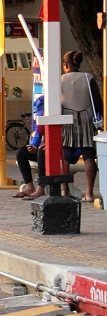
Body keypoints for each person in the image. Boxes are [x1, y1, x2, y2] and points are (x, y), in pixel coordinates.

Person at [59, 50, 102, 202]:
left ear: (65, 65)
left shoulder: (61, 80)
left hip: (66, 119)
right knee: (89, 155)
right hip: (86, 118)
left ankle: (64, 190)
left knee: (65, 154)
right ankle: (89, 193)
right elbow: (97, 102)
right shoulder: (88, 77)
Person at [13, 95, 45, 198]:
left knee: (41, 152)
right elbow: (37, 135)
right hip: (42, 148)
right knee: (21, 152)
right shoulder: (39, 120)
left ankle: (41, 188)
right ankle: (30, 187)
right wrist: (32, 146)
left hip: (58, 150)